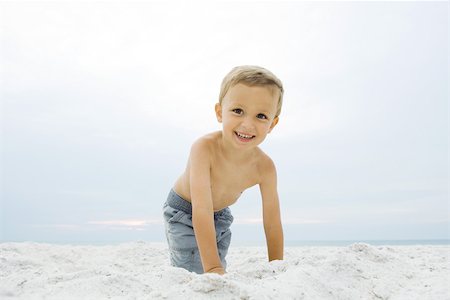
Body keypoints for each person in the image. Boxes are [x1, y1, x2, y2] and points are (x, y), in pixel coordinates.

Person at [163, 65, 284, 275]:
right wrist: (213, 268)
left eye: (261, 116)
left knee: (219, 271)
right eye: (238, 111)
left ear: (272, 124)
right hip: (185, 211)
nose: (247, 124)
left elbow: (272, 221)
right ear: (220, 112)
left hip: (220, 215)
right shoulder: (204, 148)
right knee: (197, 272)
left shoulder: (265, 167)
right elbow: (200, 208)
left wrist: (277, 266)